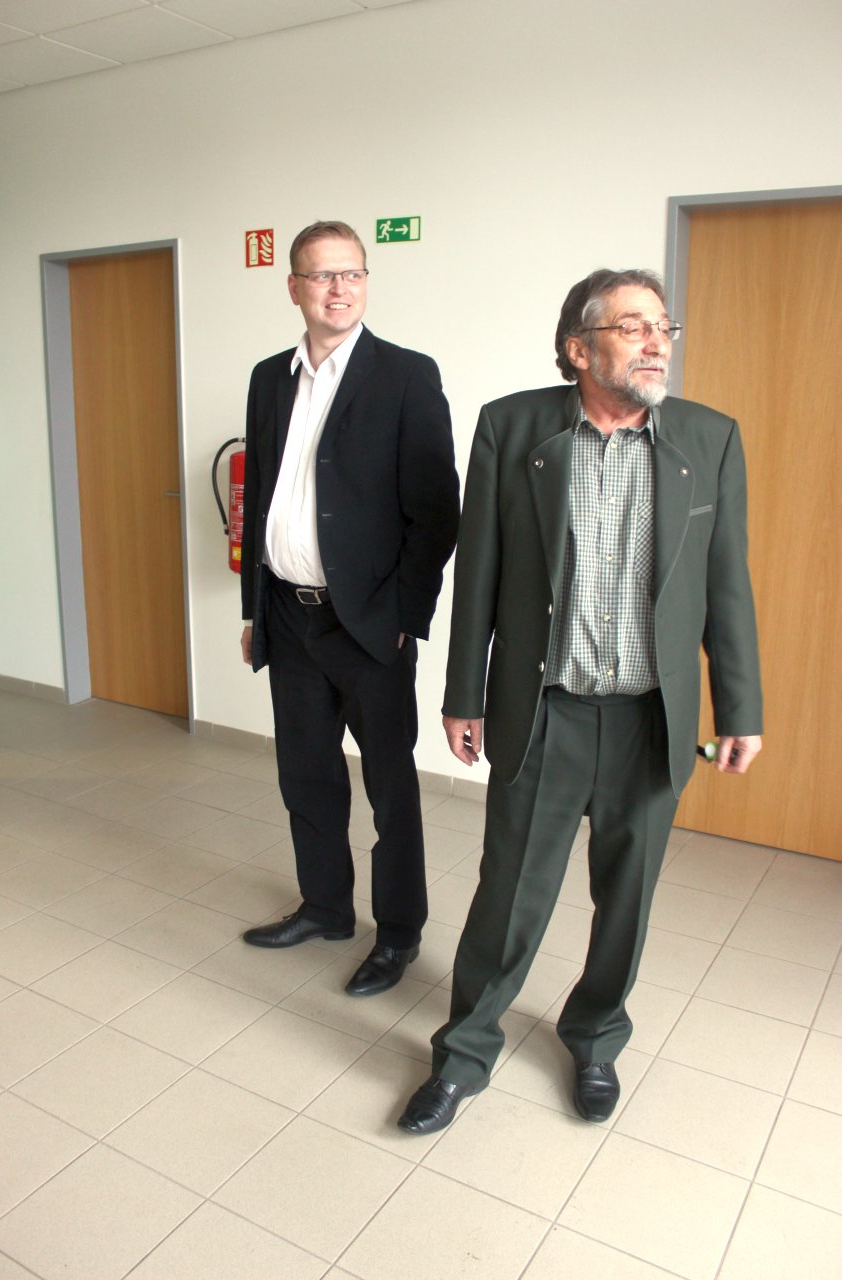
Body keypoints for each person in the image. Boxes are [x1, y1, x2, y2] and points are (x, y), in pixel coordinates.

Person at [398, 268, 762, 1133]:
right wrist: (461, 695)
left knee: (626, 901)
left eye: (662, 327)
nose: (655, 342)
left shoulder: (708, 438)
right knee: (507, 897)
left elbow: (725, 583)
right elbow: (478, 571)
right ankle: (463, 1055)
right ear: (577, 347)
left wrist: (739, 708)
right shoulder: (512, 427)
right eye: (633, 326)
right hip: (544, 711)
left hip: (650, 720)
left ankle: (595, 1039)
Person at [240, 220, 459, 997]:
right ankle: (326, 907)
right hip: (287, 613)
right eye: (321, 275)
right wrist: (253, 610)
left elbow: (437, 512)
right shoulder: (269, 378)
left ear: (365, 282)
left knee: (390, 789)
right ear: (294, 288)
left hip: (369, 624)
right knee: (305, 775)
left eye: (351, 274)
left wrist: (403, 615)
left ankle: (397, 934)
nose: (338, 289)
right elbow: (259, 496)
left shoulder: (405, 375)